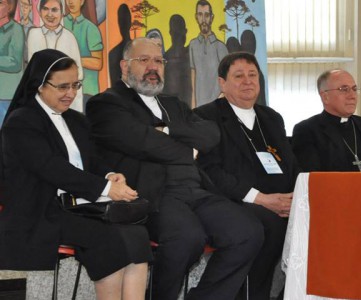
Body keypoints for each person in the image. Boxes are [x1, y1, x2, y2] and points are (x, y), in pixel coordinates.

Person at [86, 38, 263, 300]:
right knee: (186, 238)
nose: (152, 66)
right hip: (154, 194)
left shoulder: (174, 104)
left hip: (195, 189)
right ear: (124, 67)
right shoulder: (106, 104)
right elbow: (142, 142)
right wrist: (187, 149)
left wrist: (168, 130)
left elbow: (210, 134)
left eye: (158, 60)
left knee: (247, 232)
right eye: (143, 60)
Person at [0, 49, 151, 299]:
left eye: (75, 85)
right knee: (107, 239)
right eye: (62, 87)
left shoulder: (76, 120)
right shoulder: (22, 122)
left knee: (137, 235)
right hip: (43, 210)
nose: (71, 93)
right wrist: (105, 189)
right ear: (40, 85)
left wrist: (111, 175)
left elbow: (93, 160)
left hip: (82, 205)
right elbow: (51, 168)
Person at [194, 52, 298, 299]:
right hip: (234, 201)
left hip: (279, 201)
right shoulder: (205, 117)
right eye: (238, 76)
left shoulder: (271, 118)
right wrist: (261, 199)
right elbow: (210, 172)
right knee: (269, 225)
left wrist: (294, 198)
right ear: (222, 83)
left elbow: (291, 165)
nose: (247, 81)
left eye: (253, 75)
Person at [292, 69, 361, 172]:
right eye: (344, 89)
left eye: (354, 89)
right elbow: (312, 178)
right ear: (325, 97)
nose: (352, 96)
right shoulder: (307, 130)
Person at [27, 0, 83, 112]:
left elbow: (79, 73)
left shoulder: (69, 37)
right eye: (45, 9)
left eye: (54, 10)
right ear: (39, 11)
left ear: (62, 13)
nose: (50, 14)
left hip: (66, 99)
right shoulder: (33, 35)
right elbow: (32, 70)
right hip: (40, 98)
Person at [64, 0, 103, 106]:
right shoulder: (60, 24)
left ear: (82, 2)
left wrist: (73, 59)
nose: (70, 2)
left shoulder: (91, 28)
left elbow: (98, 63)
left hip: (87, 91)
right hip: (62, 90)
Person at [189, 0, 228, 108]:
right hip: (199, 109)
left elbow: (228, 81)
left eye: (206, 15)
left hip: (218, 108)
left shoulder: (221, 47)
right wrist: (193, 108)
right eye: (200, 15)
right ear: (196, 17)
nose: (203, 19)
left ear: (212, 17)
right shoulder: (192, 45)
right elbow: (193, 80)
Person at [0, 0, 24, 125]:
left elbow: (14, 62)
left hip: (7, 96)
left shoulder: (16, 29)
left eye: (0, 3)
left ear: (9, 7)